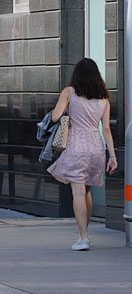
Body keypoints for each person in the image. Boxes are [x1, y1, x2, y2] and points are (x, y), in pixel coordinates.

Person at [46, 58, 118, 251]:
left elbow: (55, 117)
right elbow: (106, 130)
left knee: (77, 192)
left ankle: (84, 237)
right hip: (95, 147)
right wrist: (112, 156)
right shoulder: (104, 98)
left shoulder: (69, 92)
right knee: (86, 191)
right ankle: (85, 233)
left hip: (76, 146)